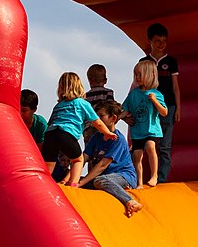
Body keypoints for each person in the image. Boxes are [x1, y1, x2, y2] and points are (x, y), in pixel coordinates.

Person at [42, 72, 117, 186]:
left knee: (48, 164)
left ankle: (43, 183)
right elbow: (97, 122)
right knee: (78, 159)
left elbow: (51, 123)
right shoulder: (82, 103)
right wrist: (107, 133)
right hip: (66, 134)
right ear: (79, 87)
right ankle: (74, 184)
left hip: (50, 134)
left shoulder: (59, 105)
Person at [77, 100, 143, 217]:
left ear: (113, 118)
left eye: (101, 116)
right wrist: (72, 179)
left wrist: (81, 182)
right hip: (106, 177)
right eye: (96, 116)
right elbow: (83, 157)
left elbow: (103, 165)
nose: (97, 120)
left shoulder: (117, 139)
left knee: (99, 181)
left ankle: (130, 200)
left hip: (124, 175)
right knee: (89, 181)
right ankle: (116, 188)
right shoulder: (96, 137)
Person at [138, 22, 180, 183]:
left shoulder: (170, 61)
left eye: (164, 41)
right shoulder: (144, 61)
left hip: (167, 106)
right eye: (157, 41)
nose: (161, 44)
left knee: (165, 147)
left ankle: (161, 179)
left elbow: (175, 87)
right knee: (147, 144)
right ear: (150, 41)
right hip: (148, 109)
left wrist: (178, 108)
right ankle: (143, 177)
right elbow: (138, 84)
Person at [122, 60, 168, 188]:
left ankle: (154, 176)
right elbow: (126, 109)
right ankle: (139, 182)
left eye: (139, 75)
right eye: (135, 75)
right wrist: (121, 118)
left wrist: (154, 101)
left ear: (150, 75)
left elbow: (164, 112)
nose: (136, 78)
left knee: (150, 146)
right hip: (137, 131)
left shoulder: (156, 94)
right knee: (137, 156)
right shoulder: (134, 94)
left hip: (151, 129)